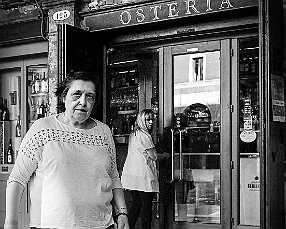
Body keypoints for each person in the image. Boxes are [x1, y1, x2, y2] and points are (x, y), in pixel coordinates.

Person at [4, 71, 129, 229]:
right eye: (77, 94)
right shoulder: (43, 129)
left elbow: (113, 176)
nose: (83, 102)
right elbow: (18, 178)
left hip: (102, 224)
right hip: (51, 225)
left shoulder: (104, 132)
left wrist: (122, 212)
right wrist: (11, 223)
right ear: (64, 97)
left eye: (90, 96)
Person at [120, 109, 168, 229]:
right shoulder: (145, 136)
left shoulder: (134, 133)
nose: (151, 121)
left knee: (136, 204)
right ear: (141, 120)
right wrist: (166, 155)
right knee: (146, 207)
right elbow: (154, 156)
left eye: (152, 118)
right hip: (143, 176)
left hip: (132, 175)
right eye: (148, 119)